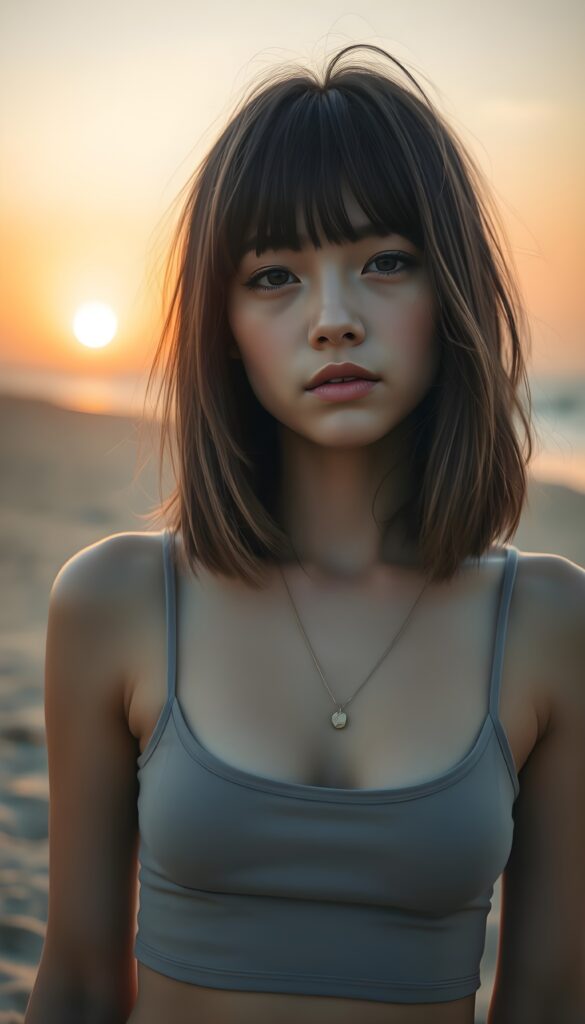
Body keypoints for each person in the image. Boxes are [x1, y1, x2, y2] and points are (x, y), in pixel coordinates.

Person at [25, 43, 585, 1024]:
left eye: (384, 262)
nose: (333, 319)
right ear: (223, 325)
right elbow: (74, 983)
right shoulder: (113, 602)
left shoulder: (550, 622)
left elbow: (547, 998)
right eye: (275, 274)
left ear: (448, 288)